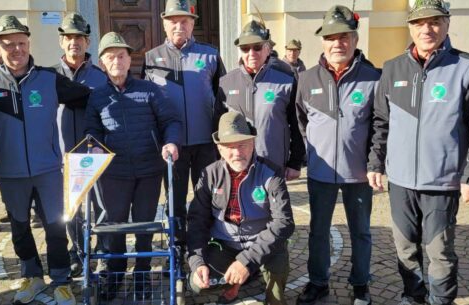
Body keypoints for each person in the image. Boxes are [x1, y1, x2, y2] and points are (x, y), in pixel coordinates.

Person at [367, 1, 469, 304]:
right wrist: (375, 162)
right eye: (419, 23)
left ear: (447, 24)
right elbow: (381, 121)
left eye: (435, 21)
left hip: (442, 182)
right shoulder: (392, 68)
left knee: (438, 250)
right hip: (400, 181)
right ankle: (413, 297)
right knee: (404, 248)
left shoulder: (468, 67)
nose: (427, 29)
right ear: (410, 27)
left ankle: (441, 301)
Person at [0, 15, 90, 305]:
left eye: (21, 43)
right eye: (8, 45)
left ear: (29, 44)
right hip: (10, 172)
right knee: (19, 227)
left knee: (55, 227)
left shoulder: (49, 79)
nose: (16, 49)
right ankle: (32, 276)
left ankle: (62, 280)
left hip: (48, 169)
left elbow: (90, 98)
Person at [84, 31, 181, 301]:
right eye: (111, 56)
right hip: (113, 174)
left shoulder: (150, 90)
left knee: (144, 226)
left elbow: (170, 121)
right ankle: (114, 274)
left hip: (149, 170)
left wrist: (171, 142)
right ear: (102, 63)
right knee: (114, 226)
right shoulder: (97, 96)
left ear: (130, 59)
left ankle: (141, 274)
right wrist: (93, 146)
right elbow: (92, 130)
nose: (117, 60)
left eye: (122, 55)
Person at [295, 5, 380, 305]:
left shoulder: (373, 77)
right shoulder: (306, 79)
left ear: (355, 40)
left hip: (359, 173)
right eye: (331, 37)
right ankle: (318, 282)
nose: (337, 43)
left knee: (361, 232)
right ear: (322, 41)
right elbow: (301, 122)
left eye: (344, 37)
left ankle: (361, 283)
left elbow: (380, 127)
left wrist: (375, 164)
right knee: (318, 232)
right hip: (321, 172)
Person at [142, 0, 225, 257]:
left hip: (205, 144)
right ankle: (176, 247)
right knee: (175, 200)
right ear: (164, 24)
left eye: (185, 21)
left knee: (205, 197)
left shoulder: (210, 55)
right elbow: (148, 104)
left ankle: (204, 245)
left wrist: (221, 140)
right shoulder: (151, 58)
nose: (179, 26)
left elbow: (222, 100)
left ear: (192, 24)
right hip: (172, 145)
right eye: (173, 21)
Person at [187, 111, 294, 304]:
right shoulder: (209, 175)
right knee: (196, 285)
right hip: (225, 243)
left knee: (278, 267)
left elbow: (284, 223)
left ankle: (267, 292)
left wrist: (246, 261)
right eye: (229, 146)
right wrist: (197, 263)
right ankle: (236, 282)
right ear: (219, 148)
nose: (237, 153)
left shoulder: (272, 173)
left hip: (262, 243)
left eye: (243, 145)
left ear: (253, 144)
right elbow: (197, 222)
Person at [53, 12, 107, 277]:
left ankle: (101, 250)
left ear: (88, 43)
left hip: (94, 153)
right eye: (69, 37)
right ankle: (77, 251)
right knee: (71, 209)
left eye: (79, 38)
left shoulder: (100, 76)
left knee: (100, 206)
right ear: (61, 42)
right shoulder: (47, 77)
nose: (74, 42)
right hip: (63, 155)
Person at [217, 20, 305, 180]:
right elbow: (217, 125)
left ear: (267, 48)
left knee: (276, 205)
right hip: (237, 165)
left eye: (257, 47)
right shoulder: (226, 82)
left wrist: (295, 162)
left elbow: (297, 124)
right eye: (245, 48)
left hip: (274, 163)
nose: (251, 53)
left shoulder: (286, 80)